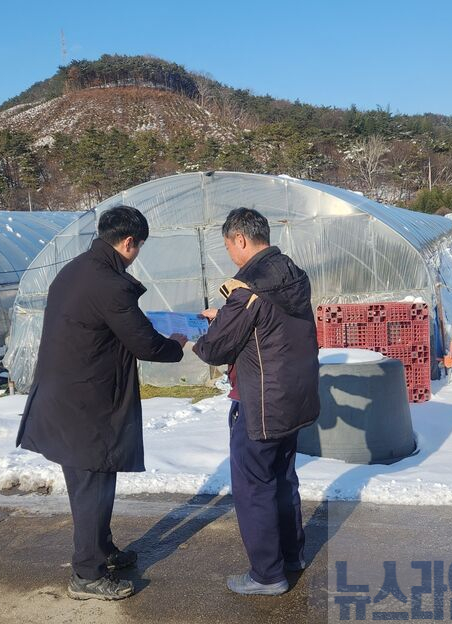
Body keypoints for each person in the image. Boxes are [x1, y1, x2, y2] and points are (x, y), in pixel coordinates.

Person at [16, 205, 186, 601]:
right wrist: (175, 345)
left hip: (70, 395)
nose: (137, 254)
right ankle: (87, 574)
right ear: (129, 242)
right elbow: (145, 344)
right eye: (139, 247)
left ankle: (102, 548)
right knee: (91, 485)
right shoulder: (109, 283)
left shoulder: (77, 268)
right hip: (83, 404)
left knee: (98, 477)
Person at [193, 207, 320, 596]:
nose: (230, 254)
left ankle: (267, 574)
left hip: (262, 403)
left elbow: (215, 349)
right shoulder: (292, 275)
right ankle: (291, 556)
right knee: (282, 478)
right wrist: (228, 314)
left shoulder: (248, 289)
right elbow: (270, 326)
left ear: (241, 240)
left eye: (229, 246)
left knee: (254, 487)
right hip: (294, 398)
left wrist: (211, 327)